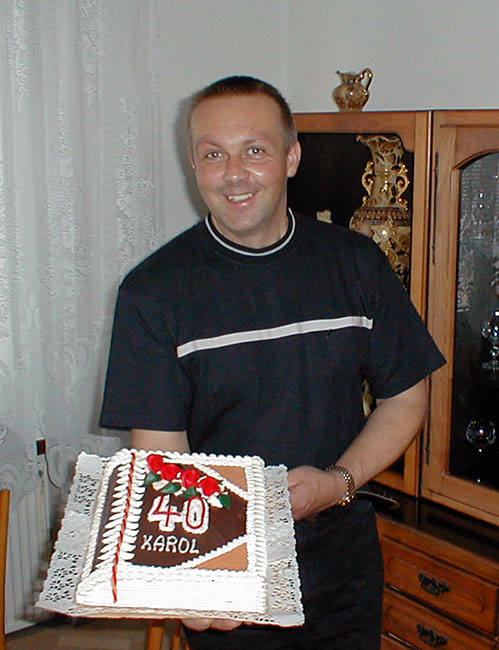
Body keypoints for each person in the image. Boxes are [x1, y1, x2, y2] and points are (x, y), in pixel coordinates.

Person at [99, 75, 445, 650]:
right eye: (214, 154)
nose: (234, 173)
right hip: (228, 567)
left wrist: (338, 483)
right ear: (193, 164)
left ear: (291, 157)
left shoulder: (356, 263)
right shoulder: (153, 292)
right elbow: (162, 457)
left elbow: (407, 395)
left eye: (254, 150)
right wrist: (191, 580)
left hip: (344, 569)